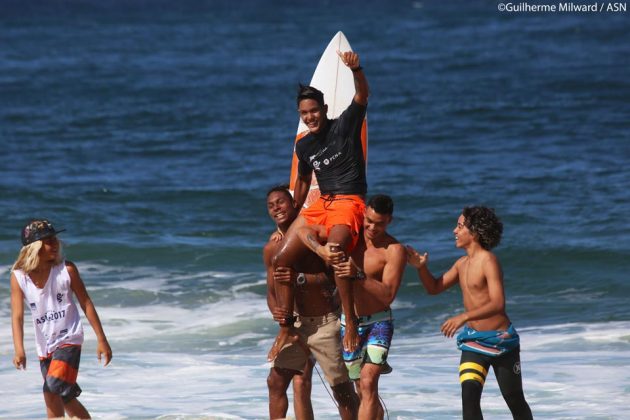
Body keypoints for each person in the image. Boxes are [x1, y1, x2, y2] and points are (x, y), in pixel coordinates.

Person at [269, 49, 369, 361]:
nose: (309, 117)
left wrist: (356, 71)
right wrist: (285, 225)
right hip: (320, 206)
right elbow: (300, 185)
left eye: (313, 111)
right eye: (304, 114)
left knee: (337, 254)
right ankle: (286, 327)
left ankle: (349, 322)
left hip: (348, 201)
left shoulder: (344, 126)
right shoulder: (304, 144)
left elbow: (363, 96)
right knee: (279, 261)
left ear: (324, 109)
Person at [406, 207, 533, 420]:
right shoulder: (461, 264)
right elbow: (434, 287)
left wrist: (464, 316)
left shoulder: (488, 260)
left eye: (459, 226)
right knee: (469, 397)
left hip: (501, 342)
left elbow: (498, 303)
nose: (454, 231)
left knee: (514, 399)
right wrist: (421, 267)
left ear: (474, 232)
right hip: (473, 342)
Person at [264, 186, 359, 420]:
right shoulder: (272, 248)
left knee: (341, 389)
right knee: (276, 381)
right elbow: (271, 290)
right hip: (294, 326)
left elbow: (335, 278)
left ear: (296, 205)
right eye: (271, 205)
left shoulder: (318, 238)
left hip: (324, 322)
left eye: (281, 202)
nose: (276, 207)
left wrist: (300, 278)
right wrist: (279, 315)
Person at [10, 219, 112, 419]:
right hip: (45, 347)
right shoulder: (19, 277)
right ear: (34, 248)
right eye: (48, 240)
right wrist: (19, 349)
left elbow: (86, 303)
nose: (55, 243)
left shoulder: (67, 270)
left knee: (51, 390)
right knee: (66, 397)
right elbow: (17, 316)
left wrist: (102, 339)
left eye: (55, 238)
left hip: (69, 341)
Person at [334, 194, 406, 420]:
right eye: (369, 221)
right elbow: (315, 232)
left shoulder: (393, 250)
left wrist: (359, 275)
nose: (372, 228)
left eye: (380, 223)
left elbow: (388, 295)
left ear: (389, 221)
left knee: (368, 382)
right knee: (360, 387)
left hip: (379, 322)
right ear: (363, 214)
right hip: (350, 322)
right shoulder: (351, 240)